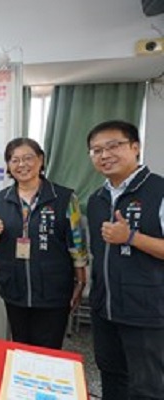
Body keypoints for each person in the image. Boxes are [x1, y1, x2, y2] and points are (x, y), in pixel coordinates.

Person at [0, 137, 88, 349]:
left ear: (41, 160)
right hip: (15, 286)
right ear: (8, 166)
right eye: (14, 160)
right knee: (21, 345)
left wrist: (80, 281)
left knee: (49, 349)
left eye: (28, 158)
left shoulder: (64, 198)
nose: (21, 164)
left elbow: (77, 242)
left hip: (53, 288)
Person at [85, 120, 164, 400]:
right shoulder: (97, 199)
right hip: (105, 308)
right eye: (96, 150)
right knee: (112, 377)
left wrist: (132, 237)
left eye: (113, 146)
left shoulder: (159, 191)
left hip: (147, 311)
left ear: (135, 147)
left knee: (147, 387)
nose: (104, 155)